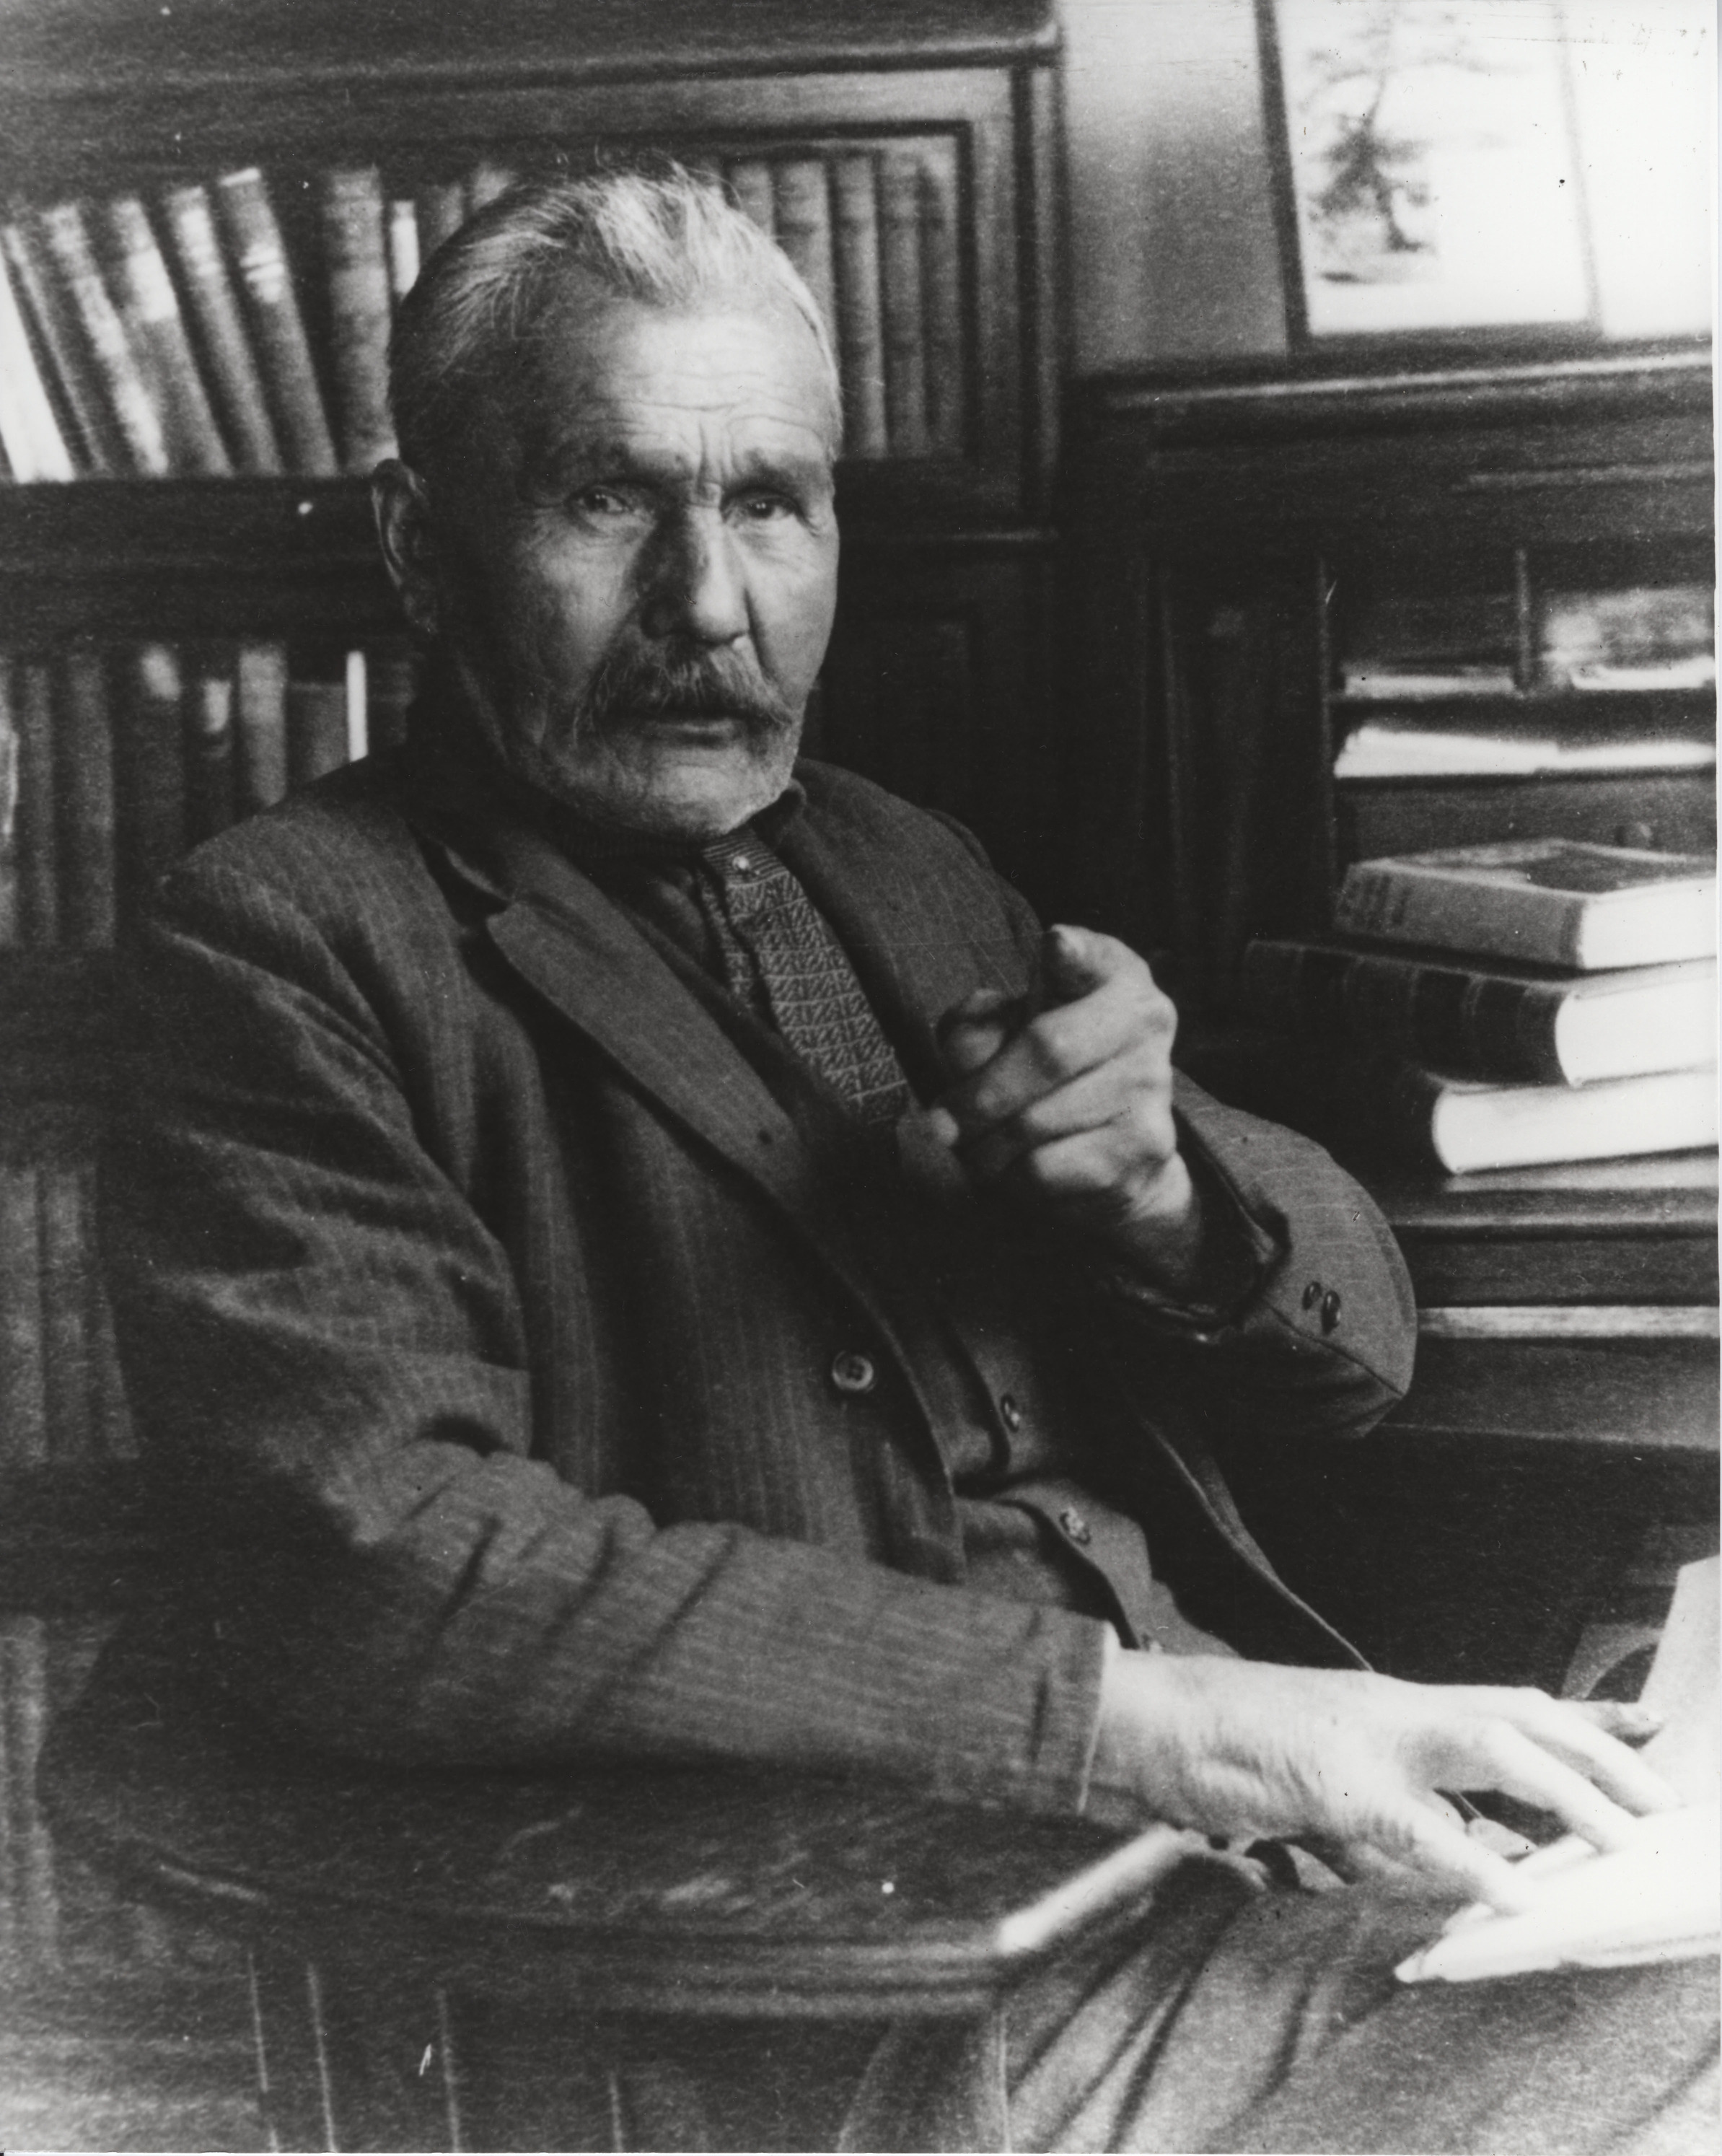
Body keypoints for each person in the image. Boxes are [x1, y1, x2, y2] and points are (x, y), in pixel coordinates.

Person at [99, 167, 1715, 2152]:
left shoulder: (896, 862)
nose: (710, 603)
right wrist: (1179, 1726)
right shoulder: (284, 937)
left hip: (1211, 1881)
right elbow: (386, 1569)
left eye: (769, 501)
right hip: (837, 2005)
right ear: (420, 547)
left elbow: (1352, 1349)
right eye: (610, 499)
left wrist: (1162, 1198)